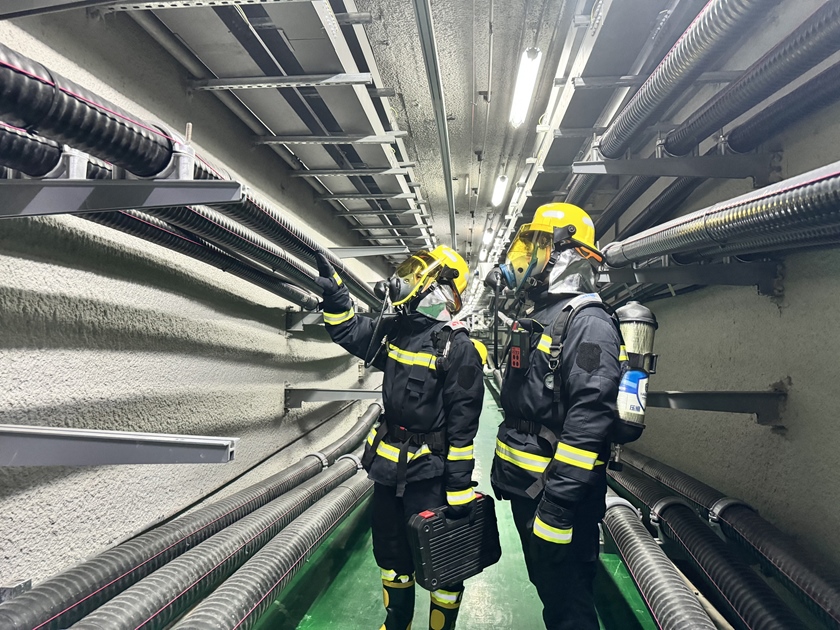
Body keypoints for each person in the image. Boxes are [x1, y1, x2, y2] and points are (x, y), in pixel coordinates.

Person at [314, 245, 484, 630]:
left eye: (415, 273)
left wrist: (459, 489)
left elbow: (463, 425)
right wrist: (337, 296)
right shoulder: (397, 332)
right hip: (388, 471)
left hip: (431, 476)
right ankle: (397, 623)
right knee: (391, 555)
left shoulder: (458, 347)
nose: (403, 279)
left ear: (438, 287)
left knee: (443, 560)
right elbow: (349, 331)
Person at [489, 203, 622, 630]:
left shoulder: (589, 323)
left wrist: (558, 508)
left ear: (568, 254)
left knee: (569, 604)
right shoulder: (543, 315)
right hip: (528, 488)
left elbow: (588, 423)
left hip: (555, 497)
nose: (526, 258)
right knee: (550, 591)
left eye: (537, 246)